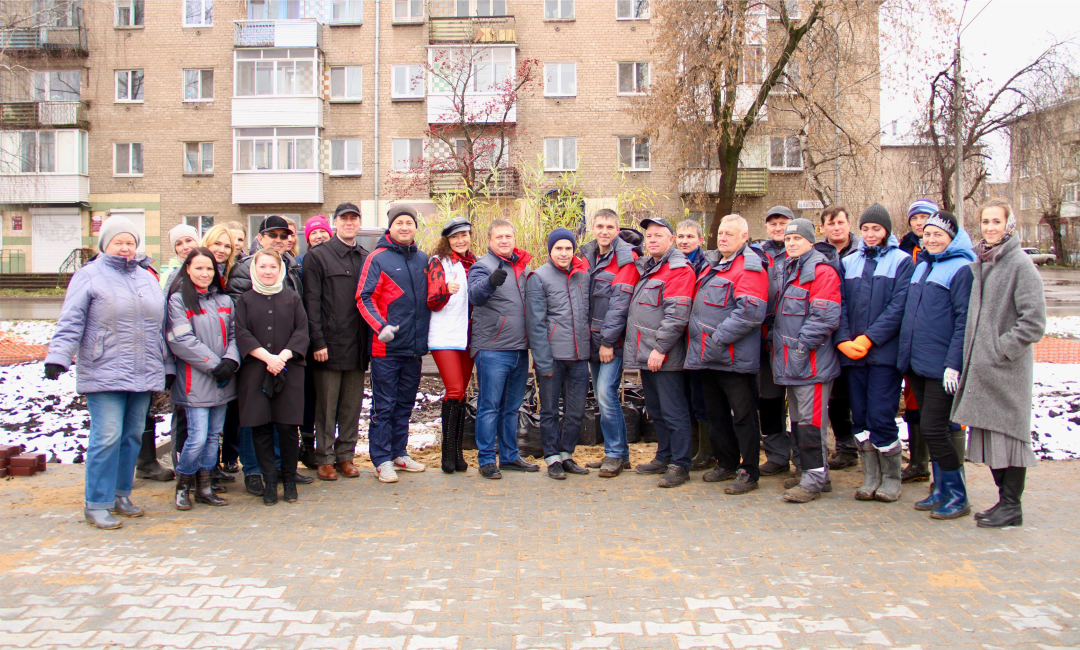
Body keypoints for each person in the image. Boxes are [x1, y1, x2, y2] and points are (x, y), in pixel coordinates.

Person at [44, 216, 167, 529]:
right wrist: (59, 355)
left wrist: (165, 363)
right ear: (105, 245)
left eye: (130, 242)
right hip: (105, 370)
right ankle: (96, 502)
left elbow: (161, 326)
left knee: (131, 436)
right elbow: (72, 319)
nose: (125, 248)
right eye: (118, 242)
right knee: (107, 436)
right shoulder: (89, 276)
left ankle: (120, 494)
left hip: (142, 371)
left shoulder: (146, 278)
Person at [952, 199, 1046, 528]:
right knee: (991, 438)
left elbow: (1033, 322)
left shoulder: (1019, 263)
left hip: (1006, 371)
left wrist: (1000, 349)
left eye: (997, 221)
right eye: (986, 222)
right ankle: (1003, 501)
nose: (991, 227)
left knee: (1009, 437)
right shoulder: (985, 263)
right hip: (983, 370)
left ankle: (1012, 505)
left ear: (1009, 225)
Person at [896, 210, 976, 520]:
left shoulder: (961, 268)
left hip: (942, 366)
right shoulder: (923, 264)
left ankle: (958, 494)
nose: (931, 239)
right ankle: (941, 490)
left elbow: (963, 319)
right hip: (917, 362)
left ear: (952, 237)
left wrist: (954, 364)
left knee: (934, 428)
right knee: (932, 430)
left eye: (938, 234)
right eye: (927, 234)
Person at [835, 204, 914, 503]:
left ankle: (891, 477)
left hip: (882, 354)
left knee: (881, 415)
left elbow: (898, 307)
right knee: (861, 417)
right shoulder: (850, 261)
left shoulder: (901, 261)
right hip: (852, 356)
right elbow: (838, 302)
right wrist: (843, 339)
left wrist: (870, 338)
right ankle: (871, 476)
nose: (870, 234)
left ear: (886, 231)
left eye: (876, 229)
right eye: (866, 228)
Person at [685, 214, 769, 494]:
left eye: (729, 234)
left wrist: (717, 340)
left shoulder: (749, 267)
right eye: (720, 233)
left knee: (743, 416)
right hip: (708, 358)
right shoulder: (714, 266)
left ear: (744, 237)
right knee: (717, 414)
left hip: (733, 359)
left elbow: (749, 313)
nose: (722, 238)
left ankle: (749, 471)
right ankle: (726, 463)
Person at [357, 205, 431, 483]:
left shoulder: (422, 258)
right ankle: (381, 459)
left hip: (413, 348)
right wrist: (380, 326)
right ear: (390, 227)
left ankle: (399, 452)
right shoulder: (378, 259)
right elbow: (364, 297)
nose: (404, 227)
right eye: (399, 222)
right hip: (385, 349)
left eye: (409, 222)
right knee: (383, 406)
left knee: (405, 404)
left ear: (415, 227)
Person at [772, 218, 842, 503]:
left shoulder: (821, 272)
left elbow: (824, 317)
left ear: (811, 242)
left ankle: (813, 480)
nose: (791, 243)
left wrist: (801, 349)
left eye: (797, 239)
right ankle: (812, 472)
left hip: (811, 363)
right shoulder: (791, 269)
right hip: (793, 361)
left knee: (812, 424)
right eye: (788, 240)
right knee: (799, 422)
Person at [165, 247, 240, 510]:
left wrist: (231, 361)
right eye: (198, 268)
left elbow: (234, 336)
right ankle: (183, 485)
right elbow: (181, 340)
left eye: (209, 269)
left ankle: (205, 486)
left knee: (213, 437)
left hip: (223, 380)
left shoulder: (224, 302)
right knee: (196, 437)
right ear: (187, 269)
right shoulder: (178, 301)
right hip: (194, 381)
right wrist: (215, 365)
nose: (205, 273)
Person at [624, 217, 696, 488]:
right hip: (648, 355)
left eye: (658, 235)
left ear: (671, 240)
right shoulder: (650, 268)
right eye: (649, 236)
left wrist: (660, 349)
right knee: (656, 409)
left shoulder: (678, 270)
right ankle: (664, 456)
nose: (652, 239)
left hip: (665, 357)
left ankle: (680, 464)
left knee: (674, 411)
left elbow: (676, 316)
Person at [234, 248, 310, 505]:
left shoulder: (292, 298)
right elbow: (242, 333)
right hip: (256, 371)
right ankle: (269, 483)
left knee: (288, 429)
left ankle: (288, 480)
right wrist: (268, 358)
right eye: (262, 267)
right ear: (254, 270)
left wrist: (283, 356)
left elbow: (302, 331)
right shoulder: (244, 300)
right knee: (261, 429)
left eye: (273, 267)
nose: (267, 272)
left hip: (289, 370)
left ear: (281, 270)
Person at [303, 202, 369, 481]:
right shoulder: (318, 257)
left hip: (357, 345)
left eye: (354, 219)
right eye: (344, 219)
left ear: (359, 223)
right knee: (326, 407)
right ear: (335, 222)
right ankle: (325, 458)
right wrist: (317, 341)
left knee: (351, 406)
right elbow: (311, 303)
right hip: (328, 346)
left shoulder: (366, 256)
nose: (349, 223)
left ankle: (346, 456)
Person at [467, 219, 539, 479]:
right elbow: (474, 296)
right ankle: (486, 459)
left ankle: (509, 456)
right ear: (489, 241)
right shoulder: (482, 266)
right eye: (499, 237)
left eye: (508, 236)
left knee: (512, 407)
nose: (505, 241)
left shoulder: (523, 267)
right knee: (490, 406)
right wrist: (490, 282)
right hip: (493, 349)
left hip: (520, 350)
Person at [526, 228, 592, 479]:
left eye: (568, 248)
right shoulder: (538, 277)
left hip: (578, 356)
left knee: (576, 411)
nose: (564, 253)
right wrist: (542, 361)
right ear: (550, 250)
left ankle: (567, 454)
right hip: (552, 356)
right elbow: (536, 323)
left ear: (573, 250)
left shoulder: (582, 276)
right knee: (550, 410)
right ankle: (552, 457)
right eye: (558, 249)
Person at [579, 209, 639, 477]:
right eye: (600, 226)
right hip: (591, 341)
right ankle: (620, 454)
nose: (604, 231)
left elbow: (620, 304)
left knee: (605, 393)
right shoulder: (586, 255)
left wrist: (608, 342)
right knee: (605, 396)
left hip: (610, 342)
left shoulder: (626, 258)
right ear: (593, 227)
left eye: (610, 227)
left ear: (617, 230)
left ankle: (614, 454)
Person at [426, 216, 477, 474]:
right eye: (455, 237)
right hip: (445, 336)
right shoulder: (439, 262)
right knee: (454, 390)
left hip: (469, 337)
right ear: (447, 240)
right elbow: (433, 301)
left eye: (464, 235)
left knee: (462, 392)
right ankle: (448, 454)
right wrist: (446, 288)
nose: (460, 240)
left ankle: (457, 453)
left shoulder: (475, 262)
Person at [898, 199, 938, 483]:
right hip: (905, 335)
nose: (920, 222)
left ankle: (946, 469)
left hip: (934, 338)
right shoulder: (903, 249)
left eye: (926, 217)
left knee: (940, 404)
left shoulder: (942, 251)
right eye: (916, 217)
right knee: (913, 397)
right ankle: (918, 462)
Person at [817, 205, 860, 471]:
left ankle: (869, 447)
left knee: (859, 393)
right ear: (822, 227)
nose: (836, 228)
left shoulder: (862, 249)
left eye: (840, 222)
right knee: (837, 396)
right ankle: (846, 447)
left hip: (857, 330)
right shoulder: (818, 253)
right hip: (830, 334)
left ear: (848, 223)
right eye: (830, 224)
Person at [755, 206, 795, 478]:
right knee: (768, 401)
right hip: (765, 340)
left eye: (784, 223)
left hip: (795, 342)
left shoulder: (805, 253)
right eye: (773, 223)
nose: (778, 228)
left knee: (801, 406)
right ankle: (777, 455)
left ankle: (806, 460)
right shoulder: (757, 254)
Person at [675, 219, 712, 470]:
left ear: (701, 240)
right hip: (679, 340)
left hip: (700, 340)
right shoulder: (674, 264)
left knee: (701, 398)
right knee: (685, 397)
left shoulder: (708, 265)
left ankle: (707, 452)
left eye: (690, 236)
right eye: (681, 237)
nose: (685, 241)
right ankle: (692, 446)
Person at [296, 213, 332, 468]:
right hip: (306, 342)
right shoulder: (299, 263)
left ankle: (325, 444)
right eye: (314, 233)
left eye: (323, 232)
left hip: (332, 342)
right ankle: (307, 444)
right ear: (307, 238)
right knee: (309, 395)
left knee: (328, 397)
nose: (319, 236)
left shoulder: (334, 259)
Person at [227, 216, 302, 299]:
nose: (278, 240)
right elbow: (239, 307)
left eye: (283, 236)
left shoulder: (293, 267)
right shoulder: (244, 269)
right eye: (272, 235)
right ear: (260, 238)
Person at [159, 224, 199, 290]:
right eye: (179, 244)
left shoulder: (209, 268)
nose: (185, 247)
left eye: (188, 241)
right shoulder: (168, 276)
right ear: (175, 249)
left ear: (196, 242)